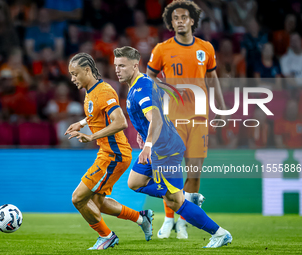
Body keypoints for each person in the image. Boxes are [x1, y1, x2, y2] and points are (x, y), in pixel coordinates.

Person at [113, 46, 232, 248]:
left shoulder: (141, 88)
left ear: (135, 65)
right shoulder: (138, 85)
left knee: (174, 203)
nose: (117, 70)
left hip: (165, 150)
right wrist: (144, 135)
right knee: (134, 182)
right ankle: (184, 194)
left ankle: (219, 233)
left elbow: (156, 118)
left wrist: (148, 144)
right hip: (159, 146)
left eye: (122, 66)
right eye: (116, 65)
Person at [146, 0, 226, 239]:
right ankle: (168, 220)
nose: (180, 21)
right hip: (171, 120)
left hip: (199, 119)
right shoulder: (161, 49)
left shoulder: (206, 48)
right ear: (171, 23)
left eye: (184, 17)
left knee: (194, 173)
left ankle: (183, 221)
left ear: (192, 21)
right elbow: (149, 78)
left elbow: (212, 79)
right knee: (168, 173)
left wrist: (221, 105)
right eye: (175, 18)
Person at [64, 53, 153, 250]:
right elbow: (96, 114)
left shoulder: (103, 91)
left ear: (87, 70)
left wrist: (91, 137)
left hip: (114, 154)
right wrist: (80, 123)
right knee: (98, 202)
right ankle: (141, 218)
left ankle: (107, 236)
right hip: (108, 152)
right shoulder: (91, 91)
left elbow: (120, 121)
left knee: (78, 198)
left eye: (75, 74)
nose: (72, 79)